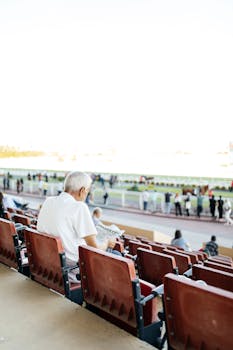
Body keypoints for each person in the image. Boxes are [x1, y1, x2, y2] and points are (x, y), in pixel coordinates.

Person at [37, 171, 116, 283]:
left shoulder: (48, 201)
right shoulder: (79, 207)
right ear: (82, 190)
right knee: (116, 254)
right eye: (88, 191)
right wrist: (107, 243)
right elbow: (95, 248)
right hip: (71, 266)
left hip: (48, 258)